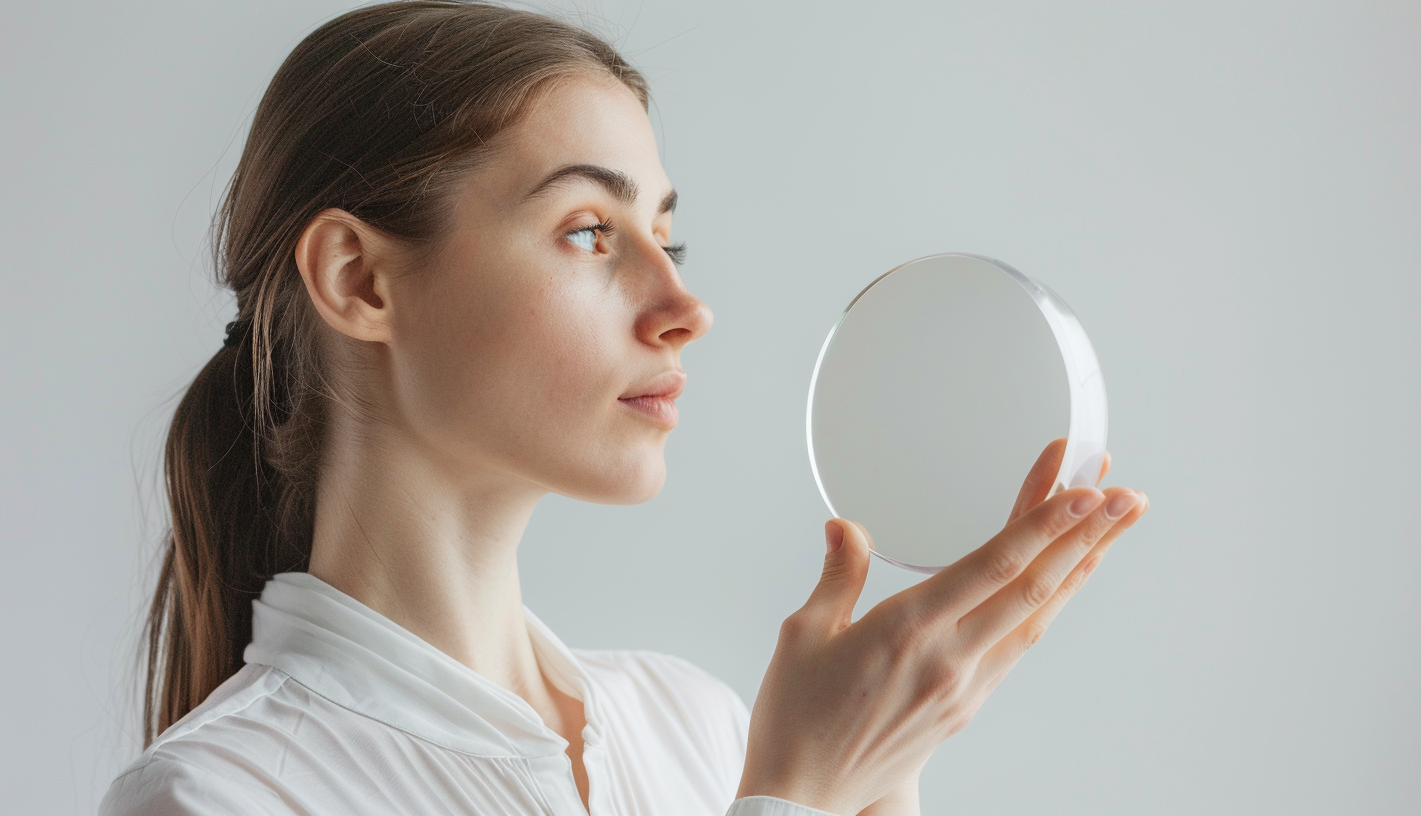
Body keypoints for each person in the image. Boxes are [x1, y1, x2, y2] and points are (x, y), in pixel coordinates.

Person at [99, 2, 1149, 815]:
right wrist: (797, 794)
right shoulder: (219, 795)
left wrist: (870, 780)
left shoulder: (692, 726)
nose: (685, 307)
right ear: (359, 281)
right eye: (589, 231)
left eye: (667, 236)